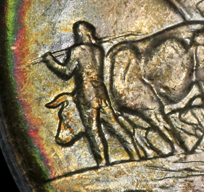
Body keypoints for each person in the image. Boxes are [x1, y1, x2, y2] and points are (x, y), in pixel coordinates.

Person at [43, 21, 139, 167]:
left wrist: (50, 61)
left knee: (93, 130)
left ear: (82, 33)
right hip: (100, 91)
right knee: (115, 125)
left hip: (86, 93)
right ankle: (136, 154)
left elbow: (67, 72)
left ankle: (102, 163)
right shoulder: (98, 50)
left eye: (78, 33)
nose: (77, 35)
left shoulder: (77, 50)